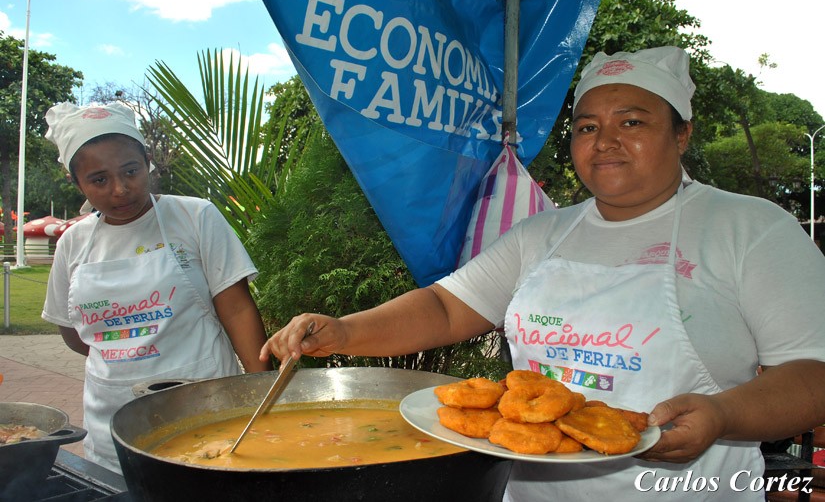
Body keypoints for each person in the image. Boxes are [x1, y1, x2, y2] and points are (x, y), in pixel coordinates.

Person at [260, 46, 825, 500]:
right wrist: (345, 331)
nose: (604, 141)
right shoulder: (545, 233)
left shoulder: (748, 227)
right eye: (585, 127)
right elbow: (447, 307)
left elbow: (815, 374)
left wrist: (723, 414)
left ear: (682, 134)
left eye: (632, 122)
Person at [41, 102, 273, 473]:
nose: (120, 189)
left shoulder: (195, 217)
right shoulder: (74, 242)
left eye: (130, 171)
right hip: (112, 418)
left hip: (207, 407)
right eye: (99, 180)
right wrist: (128, 356)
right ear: (77, 183)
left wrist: (262, 392)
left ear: (147, 160)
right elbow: (70, 330)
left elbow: (238, 309)